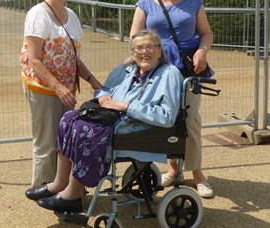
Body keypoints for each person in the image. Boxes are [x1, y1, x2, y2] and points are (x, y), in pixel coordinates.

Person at [25, 29, 182, 213]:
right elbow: (104, 89)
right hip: (113, 118)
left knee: (85, 129)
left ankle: (73, 195)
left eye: (149, 47)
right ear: (132, 52)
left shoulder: (169, 73)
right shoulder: (126, 69)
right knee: (68, 119)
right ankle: (60, 182)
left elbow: (167, 116)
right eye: (139, 48)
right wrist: (103, 97)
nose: (144, 52)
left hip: (139, 126)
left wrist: (127, 107)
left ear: (159, 50)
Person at [130, 0, 215, 198]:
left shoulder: (193, 2)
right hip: (156, 69)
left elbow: (206, 33)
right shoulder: (145, 3)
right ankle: (172, 168)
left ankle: (197, 173)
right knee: (164, 119)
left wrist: (202, 51)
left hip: (188, 69)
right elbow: (135, 38)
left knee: (190, 120)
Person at [20, 0, 102, 188]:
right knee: (46, 142)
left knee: (65, 140)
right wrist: (58, 87)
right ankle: (42, 189)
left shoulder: (72, 16)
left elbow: (73, 58)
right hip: (45, 88)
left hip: (66, 89)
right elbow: (34, 59)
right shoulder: (38, 14)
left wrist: (93, 81)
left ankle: (62, 187)